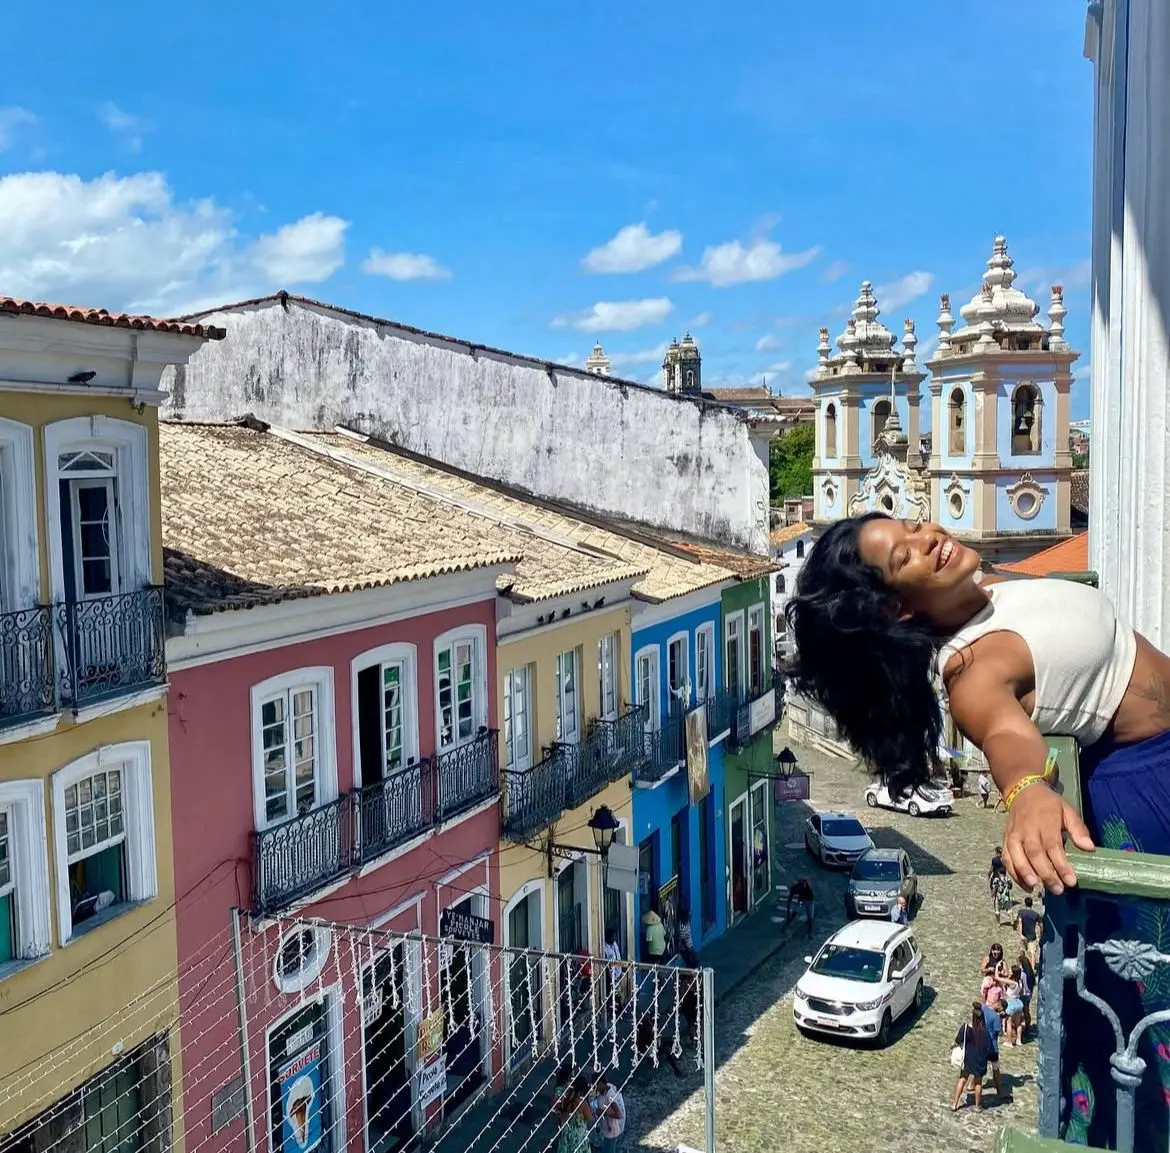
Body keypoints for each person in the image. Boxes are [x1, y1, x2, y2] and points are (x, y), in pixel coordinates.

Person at [785, 512, 1170, 892]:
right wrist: (1027, 790)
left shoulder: (989, 590)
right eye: (904, 558)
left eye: (914, 526)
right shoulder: (972, 673)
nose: (928, 538)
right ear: (896, 609)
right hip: (1152, 778)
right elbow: (1003, 732)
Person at [951, 1003, 994, 1112]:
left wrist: (952, 1046)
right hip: (980, 1060)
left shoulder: (966, 1028)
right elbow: (989, 1048)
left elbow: (957, 1041)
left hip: (968, 1058)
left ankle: (954, 1104)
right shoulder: (986, 1033)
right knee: (978, 1083)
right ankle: (977, 1106)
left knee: (962, 1079)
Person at [554, 1078, 595, 1153]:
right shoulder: (582, 1104)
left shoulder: (566, 1100)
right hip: (578, 1140)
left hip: (566, 1138)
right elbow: (590, 1119)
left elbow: (558, 1111)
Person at [590, 1072, 626, 1152]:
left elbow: (619, 1114)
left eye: (595, 1085)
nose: (594, 1088)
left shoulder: (610, 1096)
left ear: (601, 1083)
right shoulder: (600, 1094)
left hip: (612, 1131)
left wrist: (604, 1113)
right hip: (606, 1129)